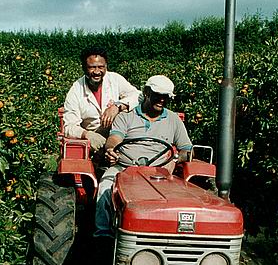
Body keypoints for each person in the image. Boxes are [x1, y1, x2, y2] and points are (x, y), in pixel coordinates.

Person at [94, 75, 192, 238]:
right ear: (146, 92)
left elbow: (187, 150)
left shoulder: (173, 119)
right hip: (125, 168)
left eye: (165, 97)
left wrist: (174, 159)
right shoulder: (126, 116)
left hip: (159, 172)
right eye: (158, 95)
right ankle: (103, 234)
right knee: (105, 187)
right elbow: (114, 139)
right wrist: (111, 149)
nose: (162, 100)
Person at [62, 47, 140, 152]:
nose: (97, 72)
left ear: (106, 66)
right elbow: (68, 126)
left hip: (118, 133)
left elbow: (138, 96)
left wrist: (117, 106)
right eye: (92, 67)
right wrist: (87, 134)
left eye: (101, 67)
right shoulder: (76, 90)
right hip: (94, 139)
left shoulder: (114, 79)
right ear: (84, 68)